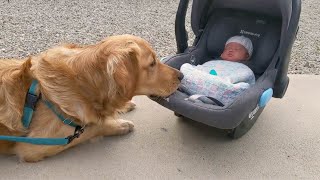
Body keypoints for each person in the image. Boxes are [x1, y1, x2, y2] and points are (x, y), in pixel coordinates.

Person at [180, 35, 255, 106]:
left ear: (246, 56)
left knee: (245, 88)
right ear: (222, 53)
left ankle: (193, 90)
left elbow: (247, 79)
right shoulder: (213, 62)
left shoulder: (244, 69)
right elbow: (203, 68)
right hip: (203, 80)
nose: (231, 50)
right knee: (185, 67)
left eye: (237, 49)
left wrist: (225, 80)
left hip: (223, 85)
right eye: (228, 48)